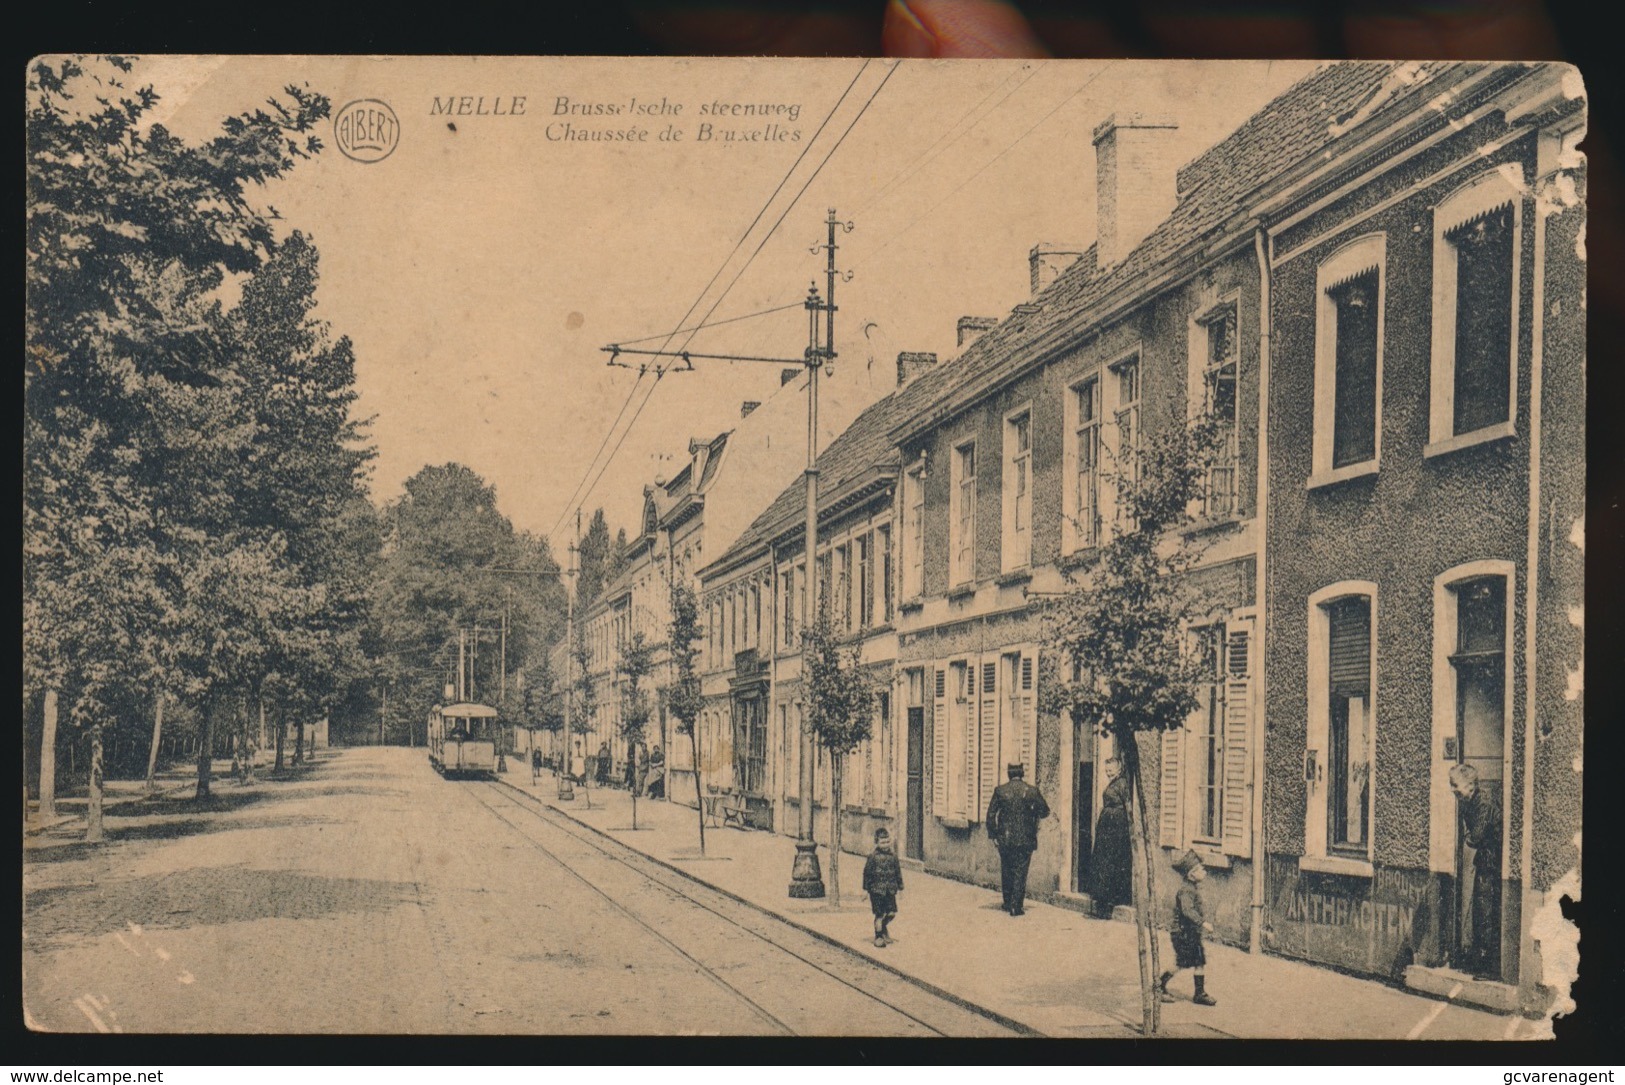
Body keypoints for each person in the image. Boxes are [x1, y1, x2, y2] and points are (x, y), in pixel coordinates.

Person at [1450, 762, 1503, 977]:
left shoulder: (1483, 803)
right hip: (1484, 860)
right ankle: (1479, 957)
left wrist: (1469, 838)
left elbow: (1475, 836)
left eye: (1455, 785)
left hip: (1494, 863)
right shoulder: (1467, 802)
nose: (1452, 789)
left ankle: (1488, 964)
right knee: (1480, 910)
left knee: (1486, 911)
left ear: (1470, 785)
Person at [985, 761, 1050, 916]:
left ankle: (1007, 902)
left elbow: (990, 815)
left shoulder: (1000, 791)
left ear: (1009, 774)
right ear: (1022, 774)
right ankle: (1016, 906)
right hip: (1026, 838)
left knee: (1007, 869)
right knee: (1021, 871)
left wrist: (993, 835)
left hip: (1005, 838)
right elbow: (1045, 811)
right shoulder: (1032, 791)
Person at [1158, 850, 1217, 1006]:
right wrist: (1203, 923)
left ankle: (1199, 993)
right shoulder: (1185, 890)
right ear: (1192, 874)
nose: (1204, 872)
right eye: (1201, 869)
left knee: (1199, 961)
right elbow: (1187, 911)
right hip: (1182, 933)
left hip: (1191, 933)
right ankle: (1158, 986)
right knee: (1181, 963)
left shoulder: (1192, 888)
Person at [862, 827, 904, 947]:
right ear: (877, 843)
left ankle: (884, 927)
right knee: (879, 914)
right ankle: (878, 936)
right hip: (876, 890)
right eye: (882, 842)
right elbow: (867, 874)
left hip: (890, 889)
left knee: (891, 913)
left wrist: (900, 888)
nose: (886, 845)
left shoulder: (893, 857)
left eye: (887, 842)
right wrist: (866, 890)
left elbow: (898, 872)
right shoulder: (873, 857)